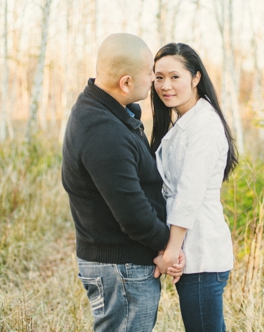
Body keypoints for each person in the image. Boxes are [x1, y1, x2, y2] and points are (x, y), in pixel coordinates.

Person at [62, 33, 184, 331]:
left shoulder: (107, 111)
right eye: (151, 75)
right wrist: (168, 249)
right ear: (126, 82)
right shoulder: (103, 131)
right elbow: (133, 214)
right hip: (120, 268)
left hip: (120, 266)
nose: (155, 81)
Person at [149, 42, 238, 332]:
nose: (166, 85)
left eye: (175, 76)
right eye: (159, 77)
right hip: (192, 251)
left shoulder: (204, 125)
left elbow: (189, 193)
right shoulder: (186, 121)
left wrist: (171, 251)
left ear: (196, 78)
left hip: (202, 253)